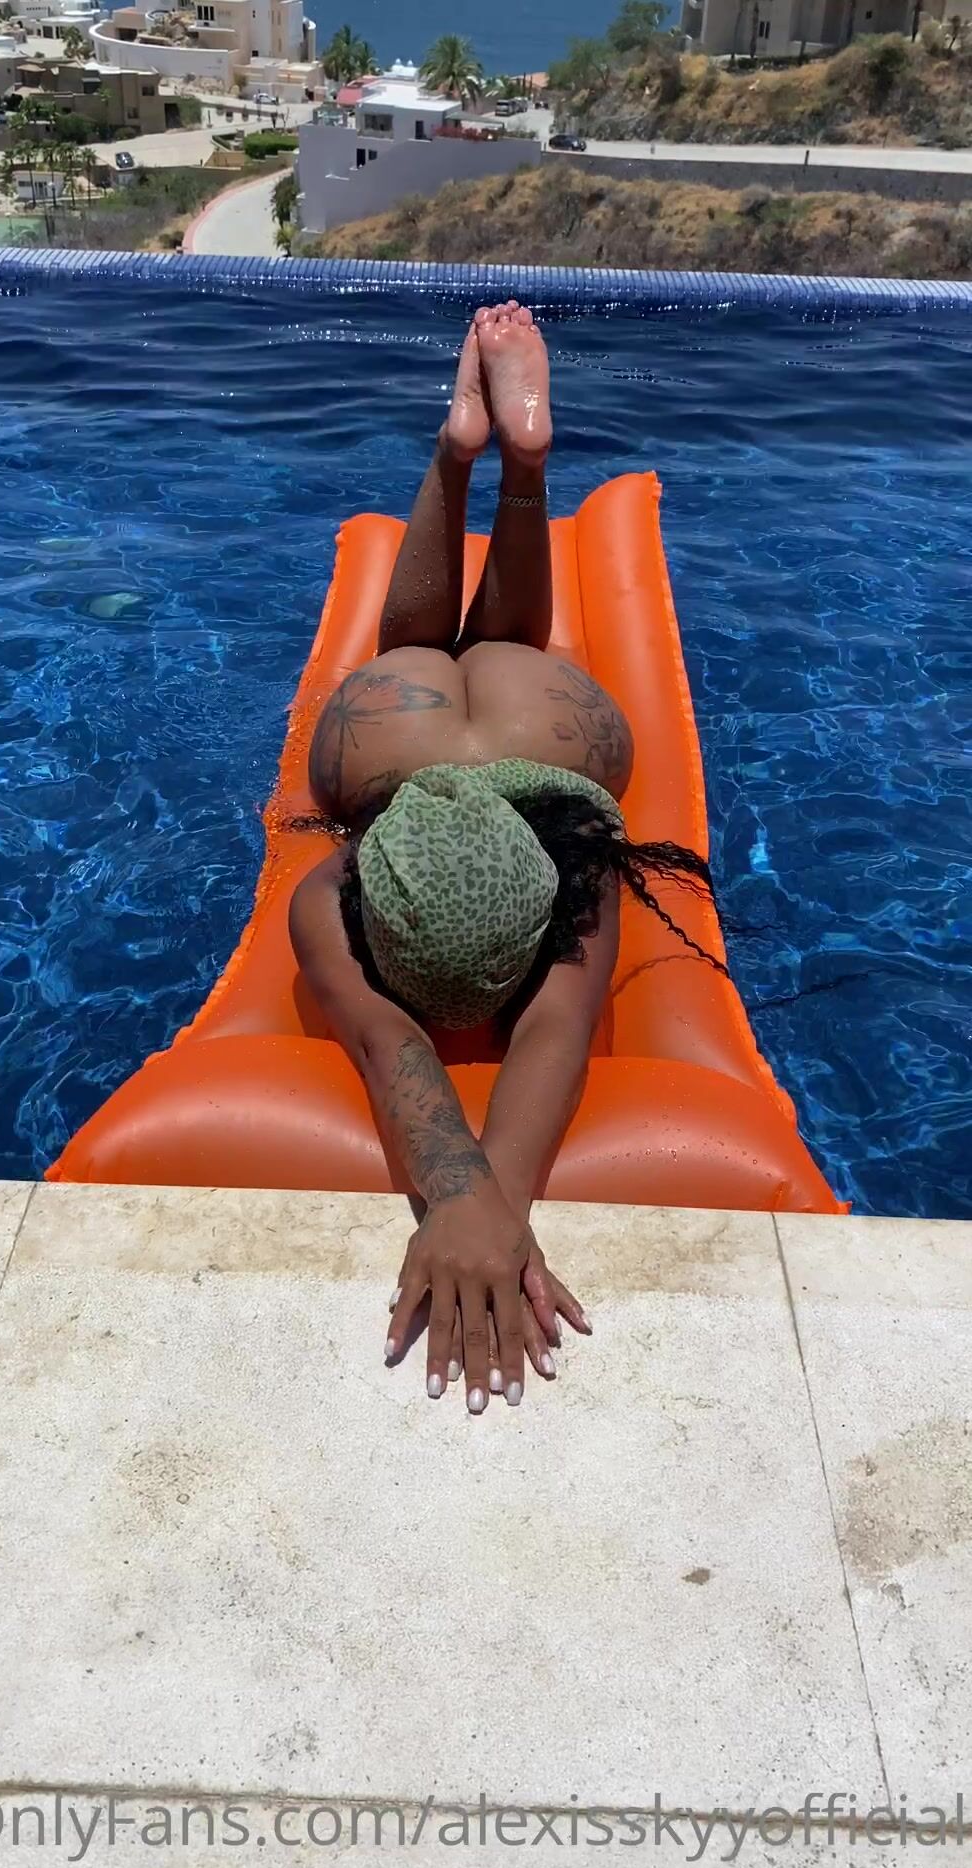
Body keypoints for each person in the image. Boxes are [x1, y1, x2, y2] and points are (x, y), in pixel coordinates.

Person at [290, 304, 723, 1414]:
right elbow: (552, 1029)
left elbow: (395, 1040)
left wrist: (469, 1202)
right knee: (452, 648)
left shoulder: (338, 894)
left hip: (531, 734)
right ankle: (485, 457)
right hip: (418, 741)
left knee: (436, 644)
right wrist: (487, 1205)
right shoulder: (562, 878)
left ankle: (490, 458)